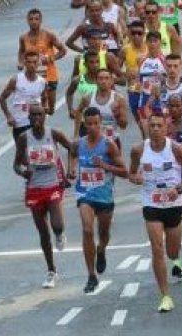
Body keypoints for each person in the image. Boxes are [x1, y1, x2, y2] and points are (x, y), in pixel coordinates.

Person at [129, 110, 182, 312]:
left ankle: (176, 254)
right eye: (152, 126)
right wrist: (136, 179)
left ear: (166, 128)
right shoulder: (138, 150)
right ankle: (165, 295)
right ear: (147, 128)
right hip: (151, 203)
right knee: (157, 248)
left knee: (172, 251)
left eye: (160, 126)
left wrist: (178, 188)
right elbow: (131, 174)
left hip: (173, 204)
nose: (156, 129)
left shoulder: (175, 148)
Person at [13, 102, 74, 289]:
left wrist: (70, 170)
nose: (37, 118)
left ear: (45, 116)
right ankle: (51, 271)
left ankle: (60, 233)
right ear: (29, 117)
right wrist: (24, 172)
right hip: (34, 188)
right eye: (33, 115)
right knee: (43, 232)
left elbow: (72, 148)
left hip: (53, 183)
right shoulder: (24, 138)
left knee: (57, 225)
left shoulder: (53, 134)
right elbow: (16, 164)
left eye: (40, 114)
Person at [72, 106, 128, 293]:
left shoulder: (109, 145)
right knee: (87, 230)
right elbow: (72, 155)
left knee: (103, 233)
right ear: (85, 125)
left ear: (101, 124)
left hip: (104, 196)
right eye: (89, 124)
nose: (93, 127)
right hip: (85, 195)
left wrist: (105, 165)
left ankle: (101, 249)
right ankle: (91, 275)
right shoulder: (78, 144)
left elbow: (125, 172)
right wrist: (71, 169)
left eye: (96, 123)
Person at [17, 9, 67, 114]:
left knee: (50, 110)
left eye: (36, 19)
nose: (34, 21)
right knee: (36, 110)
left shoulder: (49, 35)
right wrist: (21, 63)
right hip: (33, 77)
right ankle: (38, 128)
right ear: (27, 21)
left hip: (49, 75)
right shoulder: (23, 38)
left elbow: (63, 51)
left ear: (41, 20)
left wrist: (52, 58)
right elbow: (21, 51)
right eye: (31, 19)